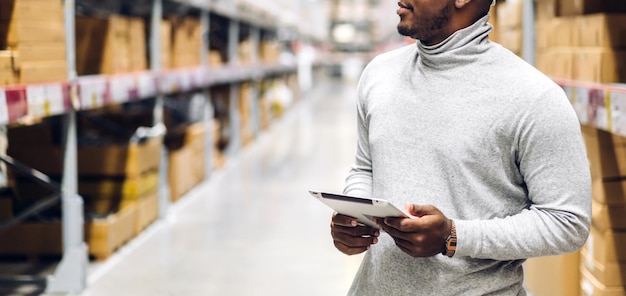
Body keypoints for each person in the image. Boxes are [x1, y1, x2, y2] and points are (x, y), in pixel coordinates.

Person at [329, 0, 592, 295]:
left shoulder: (534, 98)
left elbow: (567, 222)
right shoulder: (379, 74)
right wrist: (355, 215)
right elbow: (366, 166)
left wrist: (454, 236)